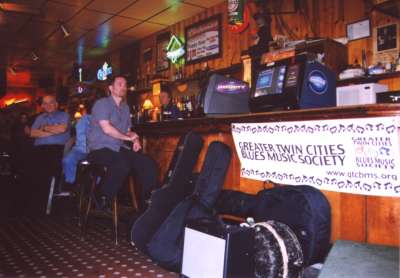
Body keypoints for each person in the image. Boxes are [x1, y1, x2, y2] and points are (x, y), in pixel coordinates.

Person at [87, 75, 159, 210]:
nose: (124, 87)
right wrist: (128, 138)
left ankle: (148, 203)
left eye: (125, 85)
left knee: (147, 162)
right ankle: (101, 197)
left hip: (118, 148)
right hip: (99, 149)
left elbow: (128, 131)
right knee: (121, 162)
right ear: (110, 88)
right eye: (120, 84)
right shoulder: (102, 104)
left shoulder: (125, 108)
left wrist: (135, 138)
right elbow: (107, 129)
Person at [29, 94, 71, 213]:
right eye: (45, 103)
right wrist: (53, 130)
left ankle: (48, 199)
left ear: (56, 104)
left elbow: (62, 129)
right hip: (38, 149)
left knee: (49, 168)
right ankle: (35, 200)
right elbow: (32, 133)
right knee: (29, 167)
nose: (48, 105)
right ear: (42, 106)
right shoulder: (40, 117)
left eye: (51, 102)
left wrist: (44, 128)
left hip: (56, 148)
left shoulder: (64, 115)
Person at [62, 99, 94, 187]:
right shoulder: (82, 120)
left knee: (101, 164)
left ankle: (98, 187)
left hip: (96, 150)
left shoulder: (104, 120)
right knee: (67, 160)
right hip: (80, 149)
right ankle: (70, 184)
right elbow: (80, 137)